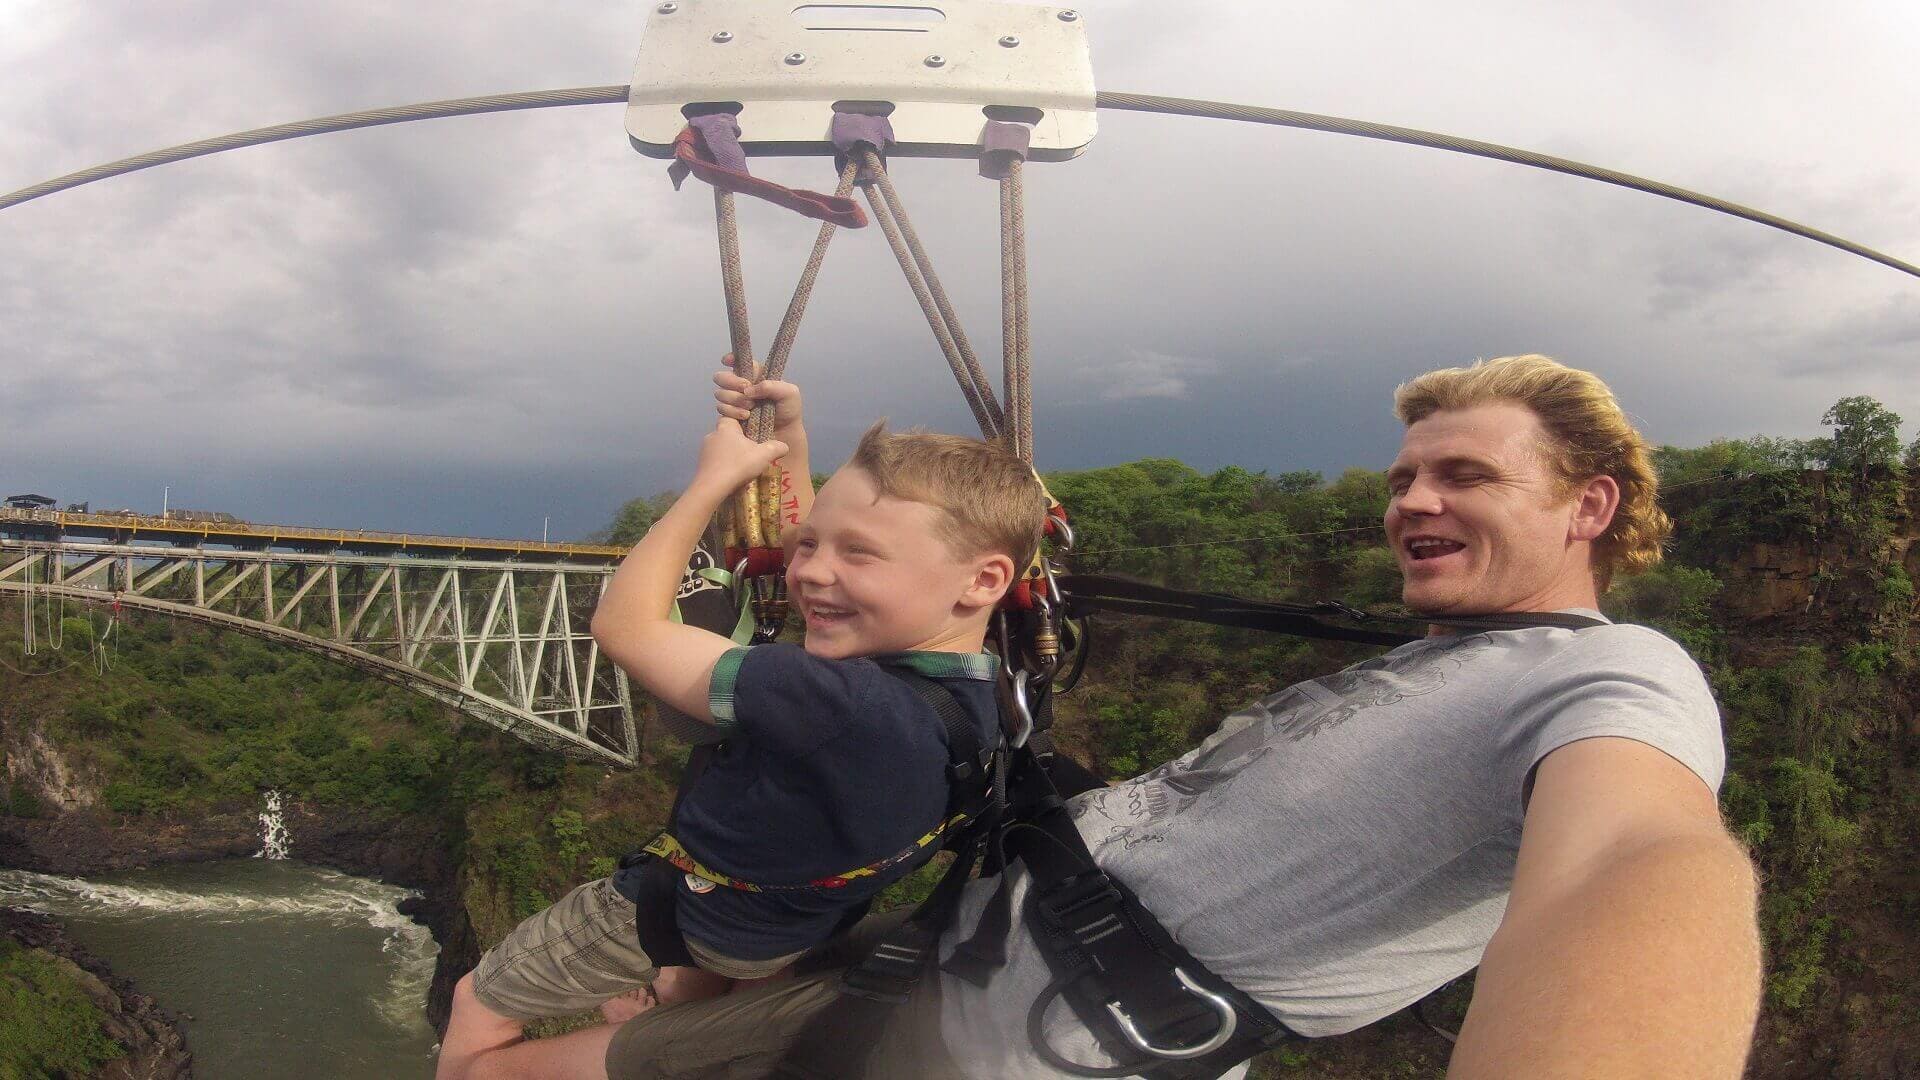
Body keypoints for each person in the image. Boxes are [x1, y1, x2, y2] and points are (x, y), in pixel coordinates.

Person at [466, 354, 1764, 1080]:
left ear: (1589, 510)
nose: (1414, 498)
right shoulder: (1443, 663)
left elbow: (1641, 862)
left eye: (1466, 475)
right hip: (924, 948)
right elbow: (843, 566)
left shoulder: (1616, 677)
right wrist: (795, 456)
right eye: (1405, 474)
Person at [435, 368, 1049, 1080]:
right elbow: (819, 531)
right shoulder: (992, 696)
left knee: (475, 1007)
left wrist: (710, 485)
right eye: (810, 545)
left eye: (858, 554)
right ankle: (674, 1002)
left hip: (683, 910)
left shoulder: (829, 701)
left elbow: (624, 624)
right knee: (677, 999)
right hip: (784, 932)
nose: (810, 572)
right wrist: (787, 439)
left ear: (981, 580)